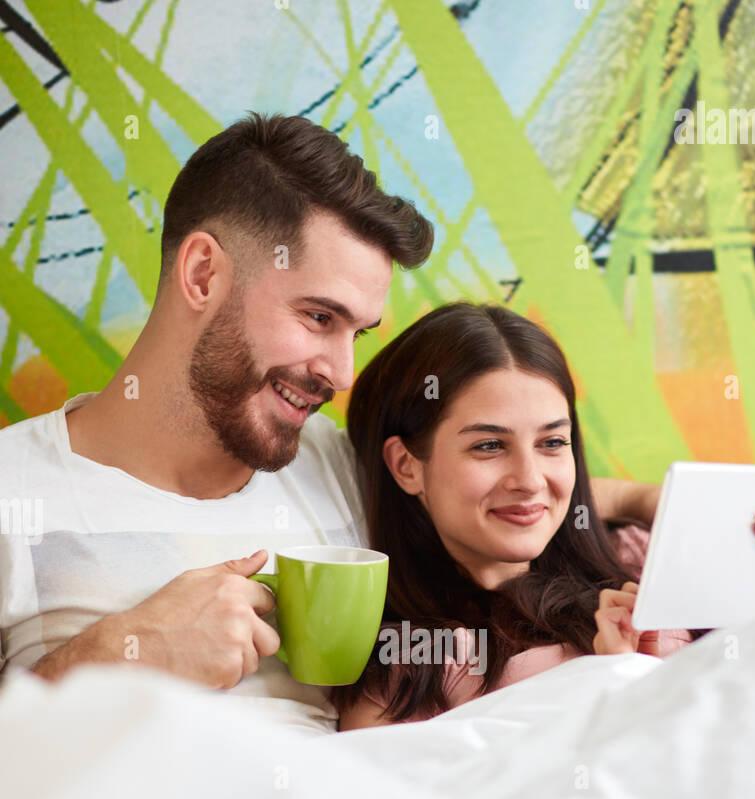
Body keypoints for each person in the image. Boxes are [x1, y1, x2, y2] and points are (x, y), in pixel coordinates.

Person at [0, 113, 652, 731]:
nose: (341, 374)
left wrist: (668, 503)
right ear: (203, 274)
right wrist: (119, 654)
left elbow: (516, 485)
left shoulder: (338, 462)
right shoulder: (15, 488)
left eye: (358, 334)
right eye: (318, 317)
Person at [335, 303, 755, 730]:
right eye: (489, 445)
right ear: (407, 466)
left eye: (552, 442)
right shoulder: (399, 663)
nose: (531, 479)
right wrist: (616, 689)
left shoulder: (638, 554)